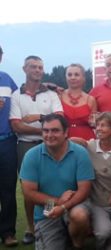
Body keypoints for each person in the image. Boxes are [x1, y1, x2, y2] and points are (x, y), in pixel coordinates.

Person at [19, 114, 94, 249]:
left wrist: (64, 206)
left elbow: (84, 189)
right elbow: (29, 193)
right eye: (46, 130)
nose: (49, 135)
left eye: (55, 130)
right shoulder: (32, 155)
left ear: (66, 133)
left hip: (74, 203)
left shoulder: (80, 153)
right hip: (47, 207)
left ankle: (77, 244)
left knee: (80, 216)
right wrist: (58, 202)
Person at [9, 55, 64, 245]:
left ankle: (49, 223)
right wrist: (46, 129)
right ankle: (31, 228)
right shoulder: (16, 95)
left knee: (48, 185)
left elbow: (59, 118)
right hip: (25, 145)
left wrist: (38, 116)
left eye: (40, 67)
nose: (37, 70)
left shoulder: (51, 94)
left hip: (49, 145)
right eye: (33, 67)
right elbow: (17, 125)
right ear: (25, 69)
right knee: (29, 190)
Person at [72, 111, 111, 250]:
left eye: (104, 125)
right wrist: (70, 139)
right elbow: (69, 142)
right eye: (98, 125)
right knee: (104, 233)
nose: (99, 129)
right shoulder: (90, 147)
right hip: (97, 203)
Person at [0, 45, 19, 247]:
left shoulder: (6, 79)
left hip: (6, 141)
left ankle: (7, 232)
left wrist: (49, 86)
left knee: (7, 189)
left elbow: (21, 96)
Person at [60, 63, 97, 140]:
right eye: (69, 75)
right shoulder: (59, 96)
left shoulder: (91, 100)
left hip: (86, 139)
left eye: (76, 75)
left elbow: (95, 124)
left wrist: (94, 122)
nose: (73, 78)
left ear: (83, 78)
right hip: (63, 138)